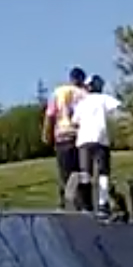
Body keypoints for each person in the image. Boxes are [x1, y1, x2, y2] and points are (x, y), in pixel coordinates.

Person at [72, 74, 122, 217]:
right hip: (101, 140)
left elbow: (75, 121)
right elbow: (118, 106)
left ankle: (86, 206)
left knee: (85, 173)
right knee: (103, 173)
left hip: (84, 140)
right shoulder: (104, 98)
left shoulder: (82, 102)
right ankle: (103, 204)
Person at [42, 67, 89, 210]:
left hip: (63, 136)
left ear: (70, 78)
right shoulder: (86, 94)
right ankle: (85, 205)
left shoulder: (58, 92)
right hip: (82, 136)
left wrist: (47, 135)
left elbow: (50, 115)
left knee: (66, 175)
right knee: (83, 174)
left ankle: (66, 205)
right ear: (82, 80)